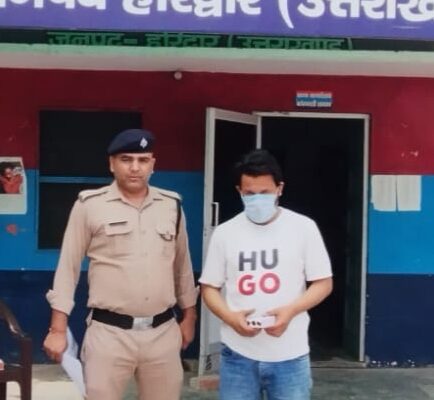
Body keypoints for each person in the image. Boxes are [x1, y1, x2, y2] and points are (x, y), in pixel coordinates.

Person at [43, 128, 197, 400]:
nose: (135, 168)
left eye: (143, 160)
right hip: (109, 335)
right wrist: (57, 330)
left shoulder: (171, 206)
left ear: (152, 164)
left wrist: (190, 317)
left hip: (162, 333)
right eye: (126, 159)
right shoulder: (89, 205)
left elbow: (182, 266)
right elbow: (67, 269)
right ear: (112, 164)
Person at [199, 149, 333, 400]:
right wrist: (230, 317)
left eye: (265, 192)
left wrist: (291, 310)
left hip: (290, 356)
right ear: (239, 191)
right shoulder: (225, 233)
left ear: (279, 189)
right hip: (238, 356)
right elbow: (209, 288)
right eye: (250, 194)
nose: (257, 199)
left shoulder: (303, 228)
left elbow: (323, 283)